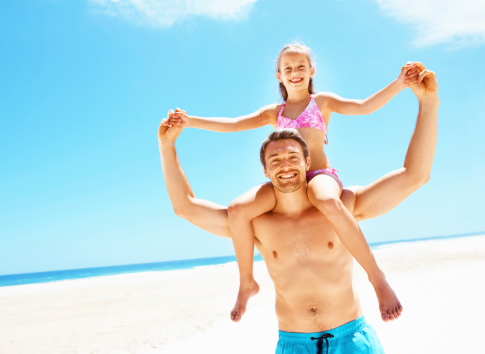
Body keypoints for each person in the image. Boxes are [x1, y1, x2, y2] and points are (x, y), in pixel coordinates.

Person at [158, 63, 438, 353]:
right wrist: (167, 147)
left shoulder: (344, 207)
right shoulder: (257, 225)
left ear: (307, 164)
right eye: (275, 160)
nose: (286, 165)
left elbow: (415, 175)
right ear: (265, 171)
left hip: (352, 340)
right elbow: (185, 207)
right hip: (294, 344)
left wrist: (428, 101)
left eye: (293, 157)